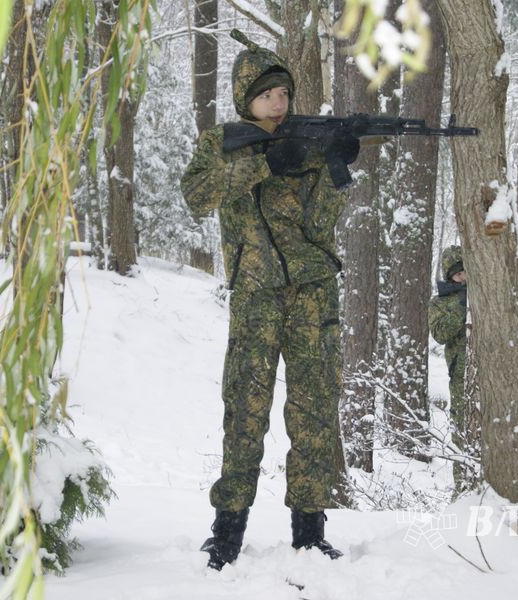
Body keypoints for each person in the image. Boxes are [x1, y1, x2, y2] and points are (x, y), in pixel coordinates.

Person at [180, 30, 359, 571]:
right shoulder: (221, 143)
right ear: (245, 100)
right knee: (246, 410)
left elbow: (321, 225)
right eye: (266, 95)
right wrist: (265, 163)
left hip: (312, 292)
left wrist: (331, 170)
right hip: (256, 295)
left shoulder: (306, 139)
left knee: (314, 411)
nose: (278, 103)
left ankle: (310, 530)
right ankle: (227, 530)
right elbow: (196, 196)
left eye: (283, 93)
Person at [428, 245, 468, 493]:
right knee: (461, 429)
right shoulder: (441, 302)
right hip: (461, 374)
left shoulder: (480, 293)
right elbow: (440, 333)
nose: (462, 277)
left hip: (487, 373)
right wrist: (463, 307)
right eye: (457, 274)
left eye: (465, 272)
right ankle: (462, 486)